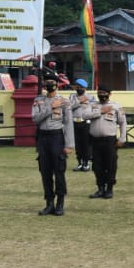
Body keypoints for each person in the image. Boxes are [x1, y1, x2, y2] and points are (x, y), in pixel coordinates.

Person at [32, 78, 75, 216]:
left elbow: (68, 123)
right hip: (43, 138)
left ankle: (60, 203)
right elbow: (35, 118)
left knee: (59, 171)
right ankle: (49, 203)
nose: (50, 84)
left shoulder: (64, 101)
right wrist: (50, 107)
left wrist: (69, 144)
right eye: (47, 82)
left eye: (52, 81)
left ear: (57, 84)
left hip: (57, 137)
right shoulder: (39, 100)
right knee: (45, 172)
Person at [86, 87, 126, 199]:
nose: (102, 95)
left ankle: (109, 189)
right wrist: (100, 112)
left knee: (110, 165)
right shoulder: (93, 105)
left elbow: (123, 123)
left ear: (109, 94)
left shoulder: (116, 106)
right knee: (97, 166)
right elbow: (85, 115)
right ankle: (100, 188)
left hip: (109, 141)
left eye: (104, 93)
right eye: (100, 93)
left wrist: (122, 139)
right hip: (95, 140)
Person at [70, 79, 93, 171]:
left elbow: (94, 109)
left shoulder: (90, 97)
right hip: (75, 122)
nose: (79, 88)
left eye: (81, 87)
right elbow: (69, 107)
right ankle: (80, 163)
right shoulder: (72, 97)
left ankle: (86, 163)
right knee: (78, 144)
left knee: (86, 144)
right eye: (77, 86)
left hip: (86, 122)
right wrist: (79, 102)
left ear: (85, 88)